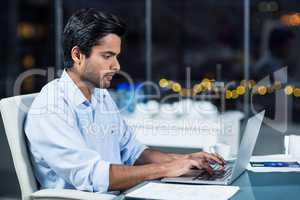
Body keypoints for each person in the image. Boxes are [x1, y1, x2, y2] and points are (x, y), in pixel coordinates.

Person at [25, 8, 225, 193]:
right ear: (77, 55)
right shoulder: (51, 108)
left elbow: (134, 152)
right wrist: (166, 168)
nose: (116, 66)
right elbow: (94, 177)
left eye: (116, 56)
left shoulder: (100, 96)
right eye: (107, 56)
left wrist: (185, 160)